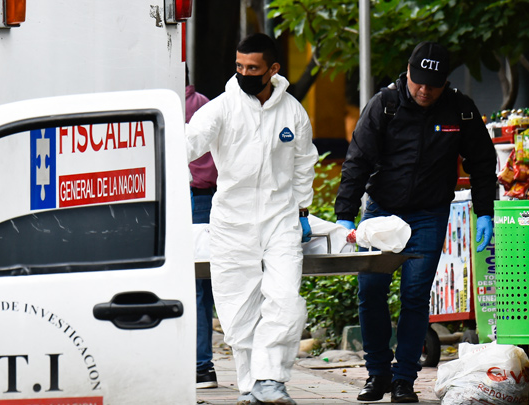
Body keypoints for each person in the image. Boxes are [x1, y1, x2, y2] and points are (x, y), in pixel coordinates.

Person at [334, 41, 496, 403]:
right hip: (381, 212)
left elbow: (483, 163)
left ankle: (405, 378)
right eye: (418, 81)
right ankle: (378, 374)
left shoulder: (460, 111)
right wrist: (345, 213)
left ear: (445, 82)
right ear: (408, 71)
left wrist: (485, 210)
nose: (424, 90)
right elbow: (357, 160)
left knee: (415, 294)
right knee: (371, 290)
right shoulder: (384, 105)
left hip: (429, 214)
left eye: (433, 84)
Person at [186, 33, 318, 405]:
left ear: (273, 69)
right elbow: (189, 141)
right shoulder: (222, 108)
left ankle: (271, 379)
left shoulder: (293, 111)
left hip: (280, 219)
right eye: (240, 67)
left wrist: (303, 210)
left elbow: (303, 163)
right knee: (237, 308)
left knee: (285, 299)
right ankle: (252, 386)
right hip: (232, 220)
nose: (244, 73)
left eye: (253, 68)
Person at [185, 66, 219, 389]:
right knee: (203, 286)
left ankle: (199, 365)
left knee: (190, 285)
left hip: (188, 200)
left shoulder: (171, 108)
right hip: (207, 200)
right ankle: (202, 365)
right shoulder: (206, 105)